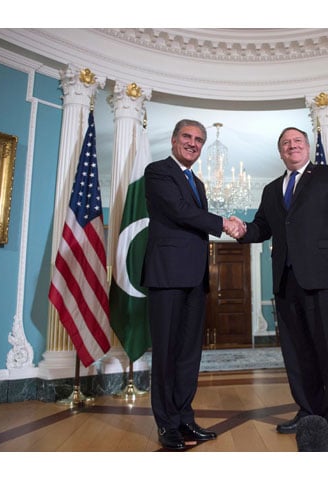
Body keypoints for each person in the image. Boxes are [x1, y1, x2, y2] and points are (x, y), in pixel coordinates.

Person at [230, 127, 328, 442]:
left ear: (306, 147)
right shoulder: (272, 189)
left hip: (327, 279)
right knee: (298, 352)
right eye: (286, 143)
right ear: (280, 152)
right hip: (287, 282)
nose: (292, 146)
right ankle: (309, 413)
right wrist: (242, 229)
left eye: (297, 141)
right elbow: (262, 227)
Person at [141, 119, 243, 450]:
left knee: (188, 354)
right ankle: (166, 424)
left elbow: (192, 219)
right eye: (187, 137)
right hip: (166, 275)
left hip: (195, 280)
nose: (193, 143)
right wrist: (223, 223)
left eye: (199, 139)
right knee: (167, 353)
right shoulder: (158, 171)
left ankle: (185, 418)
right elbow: (178, 211)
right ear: (173, 141)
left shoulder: (198, 182)